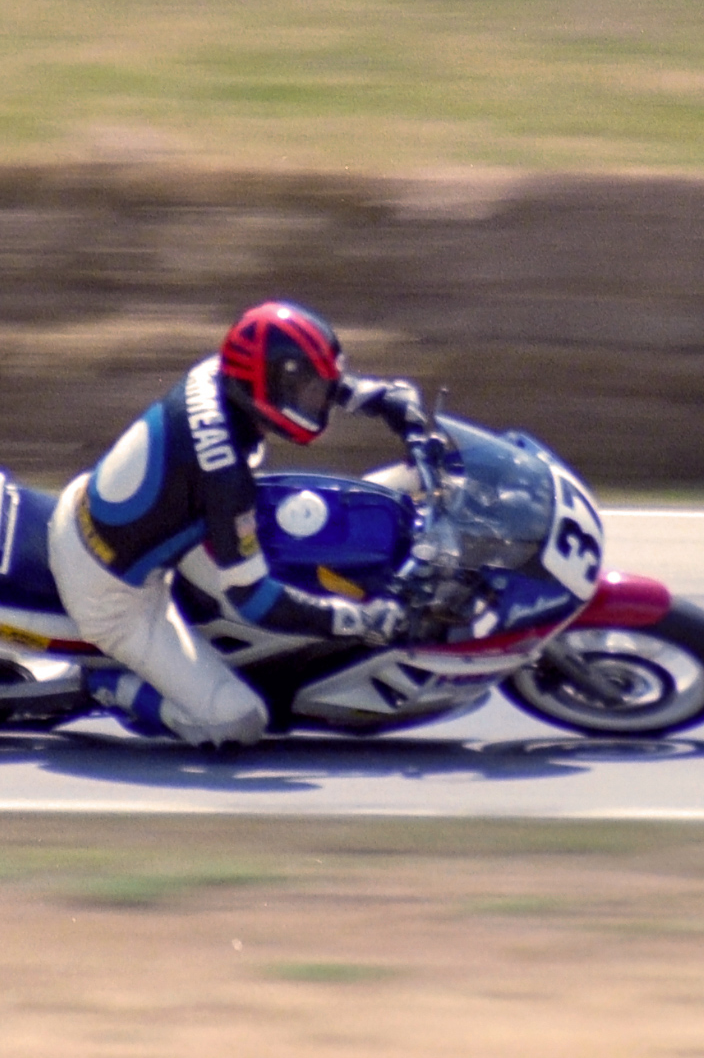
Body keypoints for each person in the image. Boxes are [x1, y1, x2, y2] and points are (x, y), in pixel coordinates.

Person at [47, 301, 427, 746]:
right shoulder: (225, 478)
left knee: (304, 532)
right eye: (308, 389)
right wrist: (357, 620)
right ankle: (104, 685)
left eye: (319, 386)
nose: (318, 399)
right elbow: (255, 601)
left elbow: (294, 380)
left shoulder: (218, 373)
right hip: (111, 595)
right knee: (239, 722)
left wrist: (378, 398)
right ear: (268, 386)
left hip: (132, 518)